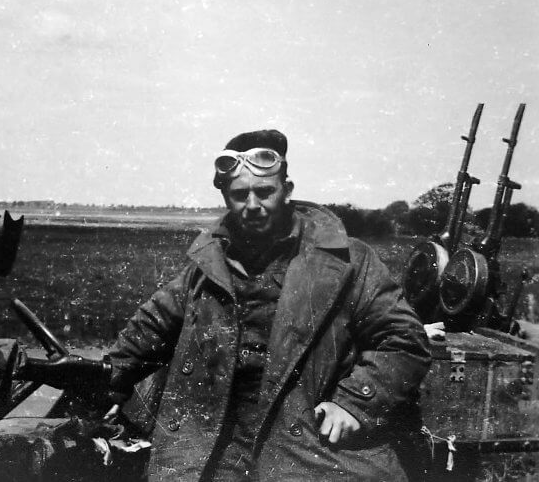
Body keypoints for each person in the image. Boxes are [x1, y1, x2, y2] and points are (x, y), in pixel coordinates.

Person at [104, 129, 431, 481]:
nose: (253, 206)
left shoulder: (348, 261)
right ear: (225, 197)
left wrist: (353, 403)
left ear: (287, 191)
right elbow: (148, 329)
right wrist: (107, 381)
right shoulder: (205, 266)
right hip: (218, 446)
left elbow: (404, 340)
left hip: (310, 446)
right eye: (240, 194)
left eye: (264, 192)